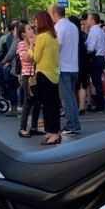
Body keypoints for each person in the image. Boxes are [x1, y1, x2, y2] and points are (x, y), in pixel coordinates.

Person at [31, 11, 62, 145]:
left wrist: (30, 47)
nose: (35, 23)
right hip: (54, 75)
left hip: (43, 74)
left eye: (36, 21)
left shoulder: (41, 37)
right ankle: (55, 133)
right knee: (54, 105)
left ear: (41, 21)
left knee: (47, 106)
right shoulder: (53, 36)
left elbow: (35, 57)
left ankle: (52, 134)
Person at [51, 4, 81, 135]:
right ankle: (75, 123)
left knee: (66, 99)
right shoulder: (73, 26)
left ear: (55, 14)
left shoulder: (58, 27)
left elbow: (57, 46)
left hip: (63, 67)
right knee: (72, 97)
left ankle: (71, 125)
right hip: (73, 66)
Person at [16, 24, 41, 138]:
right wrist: (31, 45)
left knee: (37, 102)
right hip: (27, 76)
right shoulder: (21, 44)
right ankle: (22, 128)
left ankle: (34, 127)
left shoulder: (35, 42)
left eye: (32, 28)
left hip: (36, 75)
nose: (32, 30)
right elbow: (26, 58)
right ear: (23, 34)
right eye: (29, 29)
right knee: (28, 101)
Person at [85, 13, 105, 112]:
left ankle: (100, 105)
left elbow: (90, 48)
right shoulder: (101, 31)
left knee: (97, 83)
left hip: (95, 58)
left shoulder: (93, 31)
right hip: (100, 57)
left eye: (88, 19)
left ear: (92, 20)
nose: (86, 21)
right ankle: (101, 104)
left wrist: (84, 51)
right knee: (98, 82)